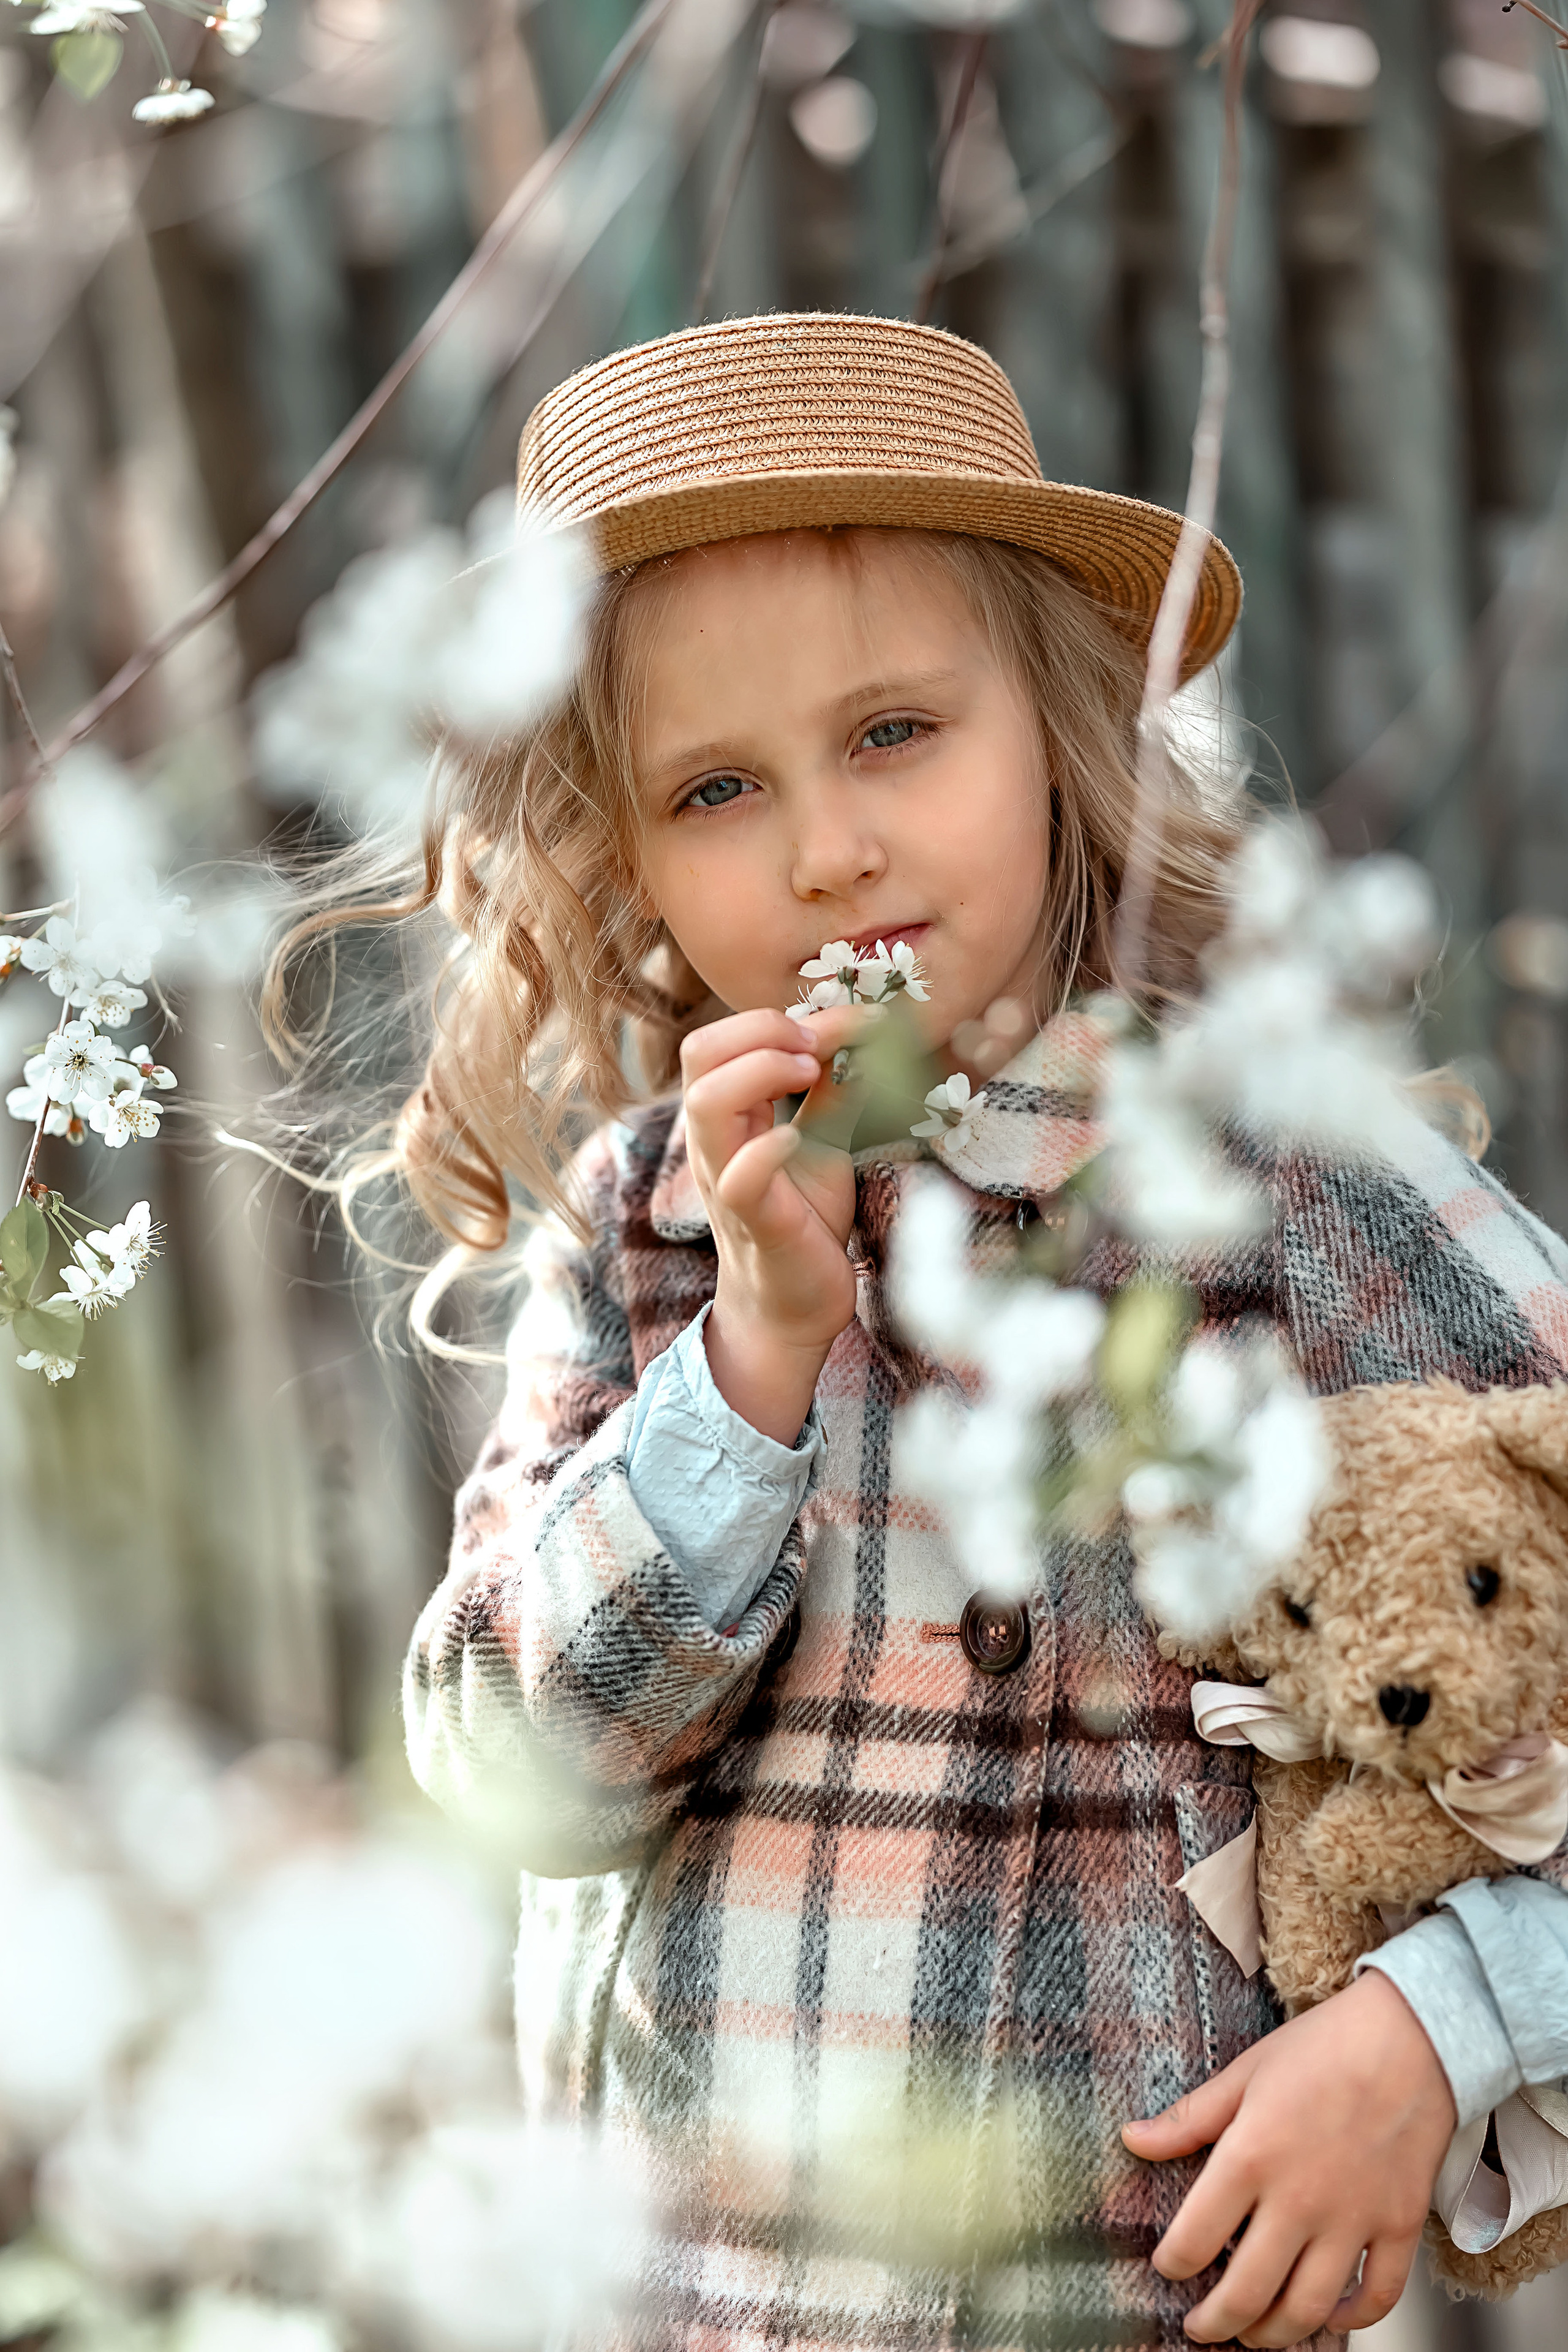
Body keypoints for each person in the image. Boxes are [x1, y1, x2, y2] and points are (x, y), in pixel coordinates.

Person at [274, 314, 1568, 2351]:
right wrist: (748, 1360)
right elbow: (513, 1777)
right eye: (718, 787)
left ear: (1056, 731)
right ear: (625, 856)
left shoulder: (1285, 1183)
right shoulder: (646, 1227)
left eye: (895, 733)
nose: (826, 852)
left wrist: (1438, 2026)